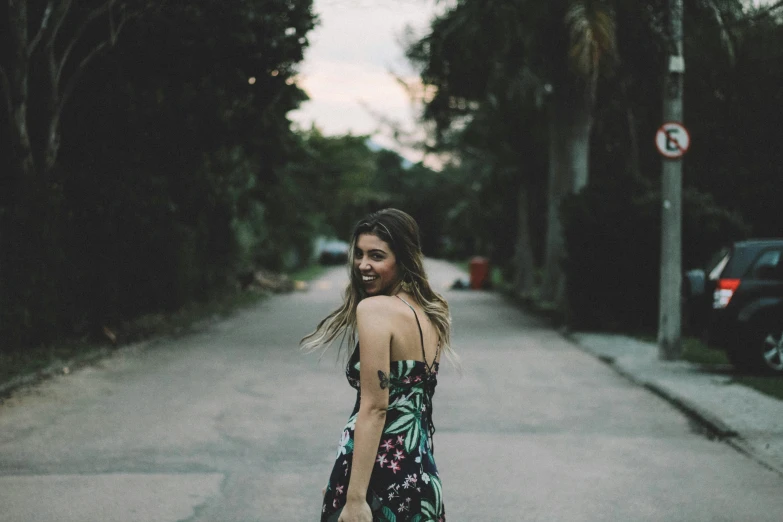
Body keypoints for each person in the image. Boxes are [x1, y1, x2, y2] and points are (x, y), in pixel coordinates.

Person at [301, 208, 454, 522]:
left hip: (382, 478)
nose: (363, 265)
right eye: (358, 254)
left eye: (376, 256)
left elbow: (375, 408)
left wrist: (355, 496)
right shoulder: (430, 312)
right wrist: (344, 475)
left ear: (402, 258)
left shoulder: (375, 310)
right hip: (420, 475)